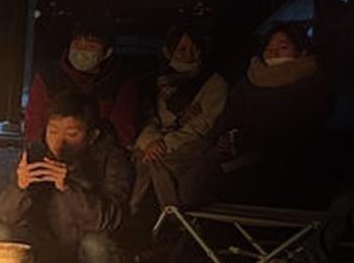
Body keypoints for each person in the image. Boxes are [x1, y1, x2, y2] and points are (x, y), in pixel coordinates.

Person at [0, 89, 132, 263]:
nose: (59, 142)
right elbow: (5, 215)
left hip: (86, 252)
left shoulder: (111, 158)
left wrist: (68, 188)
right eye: (53, 132)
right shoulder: (36, 154)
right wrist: (20, 188)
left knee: (98, 246)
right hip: (46, 248)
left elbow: (109, 221)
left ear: (92, 136)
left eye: (72, 133)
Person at [211, 23, 335, 203]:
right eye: (268, 48)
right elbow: (227, 119)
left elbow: (302, 131)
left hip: (292, 167)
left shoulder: (313, 85)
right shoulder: (249, 83)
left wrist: (245, 140)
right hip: (238, 160)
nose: (273, 53)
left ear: (303, 52)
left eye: (283, 47)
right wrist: (223, 138)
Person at [130, 23, 227, 215]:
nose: (188, 54)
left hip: (189, 145)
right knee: (143, 158)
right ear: (168, 51)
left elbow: (204, 123)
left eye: (194, 48)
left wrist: (165, 144)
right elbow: (148, 117)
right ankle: (138, 213)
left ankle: (172, 217)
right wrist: (150, 141)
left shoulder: (213, 83)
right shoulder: (154, 81)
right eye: (182, 48)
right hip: (154, 142)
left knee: (158, 160)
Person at [24, 23, 140, 148]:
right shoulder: (48, 76)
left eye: (91, 46)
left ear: (107, 53)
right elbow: (34, 121)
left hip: (101, 153)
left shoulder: (119, 80)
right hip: (52, 149)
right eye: (77, 45)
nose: (82, 52)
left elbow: (122, 128)